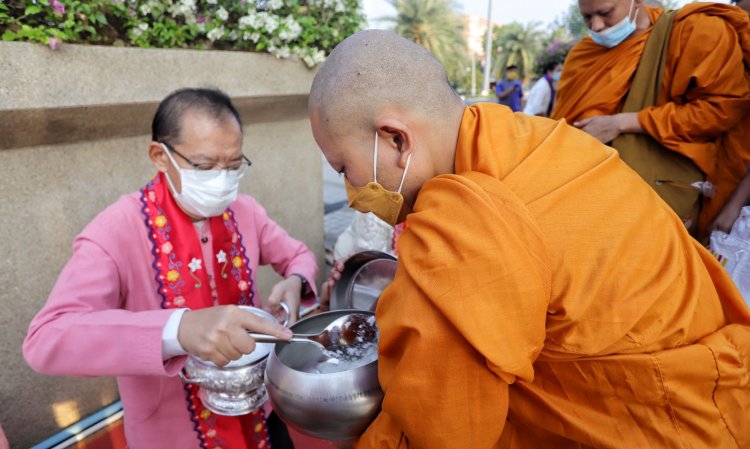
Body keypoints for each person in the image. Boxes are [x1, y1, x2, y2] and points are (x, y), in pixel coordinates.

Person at [308, 30, 750, 449]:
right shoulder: (539, 138)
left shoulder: (464, 220)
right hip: (718, 395)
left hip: (661, 428)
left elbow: (445, 428)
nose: (352, 196)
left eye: (345, 169)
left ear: (397, 139)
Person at [23, 88, 319, 449]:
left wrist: (295, 281)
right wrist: (178, 328)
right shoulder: (115, 230)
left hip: (258, 410)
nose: (222, 179)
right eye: (205, 166)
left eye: (233, 165)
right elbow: (47, 338)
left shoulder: (245, 210)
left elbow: (298, 255)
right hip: (172, 431)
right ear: (160, 156)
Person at [551, 0, 750, 238]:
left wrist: (624, 122)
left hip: (663, 202)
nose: (597, 26)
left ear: (637, 2)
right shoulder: (585, 55)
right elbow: (562, 129)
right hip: (585, 202)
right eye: (587, 17)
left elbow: (719, 110)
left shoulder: (696, 31)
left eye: (605, 13)